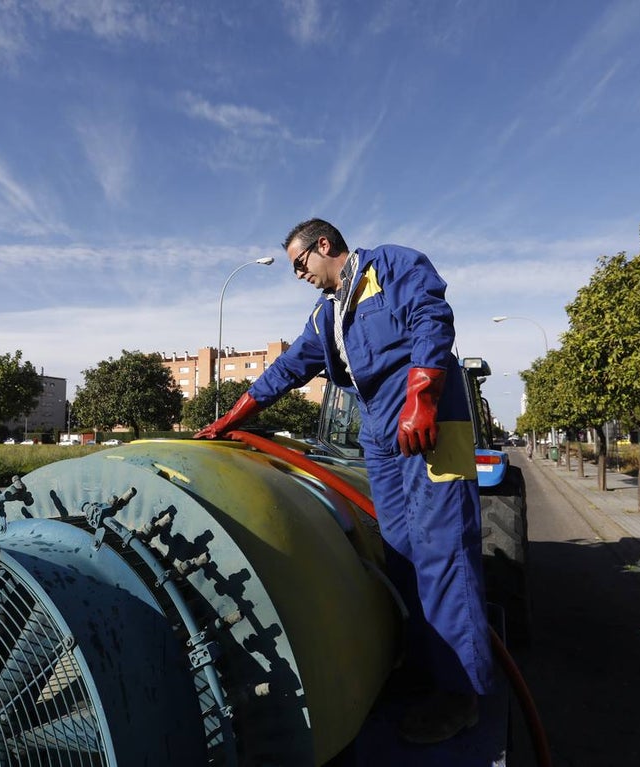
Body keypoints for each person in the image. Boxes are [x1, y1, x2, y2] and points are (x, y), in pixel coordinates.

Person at [195, 218, 492, 744]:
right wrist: (230, 418)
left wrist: (422, 397)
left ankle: (459, 694)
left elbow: (431, 318)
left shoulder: (390, 265)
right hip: (379, 432)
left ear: (323, 245)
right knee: (400, 550)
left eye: (299, 263)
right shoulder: (325, 314)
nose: (298, 274)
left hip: (429, 420)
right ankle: (424, 667)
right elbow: (287, 369)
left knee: (442, 549)